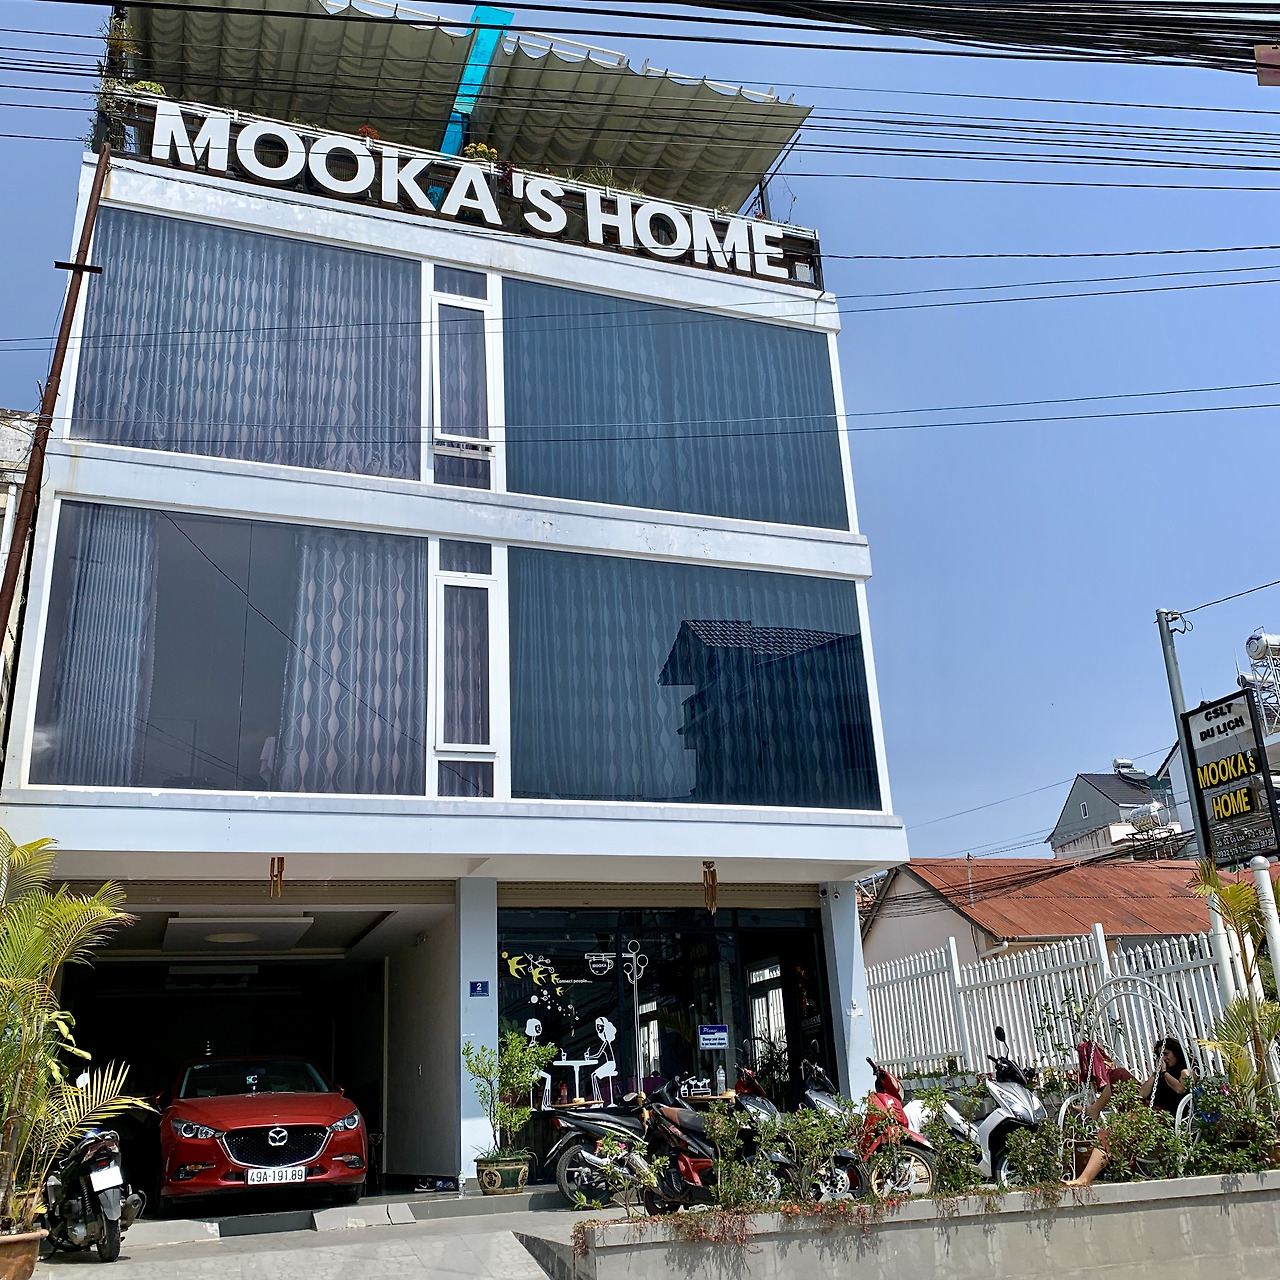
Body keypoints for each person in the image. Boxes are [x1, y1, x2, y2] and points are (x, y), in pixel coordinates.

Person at [1065, 1037, 1190, 1188]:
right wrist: (1157, 1073)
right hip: (1148, 1109)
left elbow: (1180, 1089)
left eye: (1166, 1054)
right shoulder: (1161, 1073)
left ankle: (1084, 1179)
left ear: (1176, 1053)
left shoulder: (1185, 1071)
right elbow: (1142, 1094)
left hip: (1164, 1116)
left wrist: (1164, 1073)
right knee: (1119, 1073)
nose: (1163, 1058)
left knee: (1113, 1132)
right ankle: (1094, 1109)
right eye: (1160, 1055)